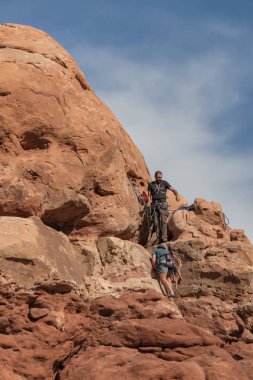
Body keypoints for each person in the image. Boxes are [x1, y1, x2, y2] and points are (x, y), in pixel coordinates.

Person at [148, 171, 180, 242]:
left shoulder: (165, 183)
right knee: (156, 222)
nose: (160, 178)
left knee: (163, 221)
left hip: (162, 204)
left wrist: (177, 195)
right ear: (155, 177)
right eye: (158, 177)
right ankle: (159, 238)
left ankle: (164, 237)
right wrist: (147, 200)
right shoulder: (151, 184)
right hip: (154, 204)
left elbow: (173, 189)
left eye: (161, 177)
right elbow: (149, 195)